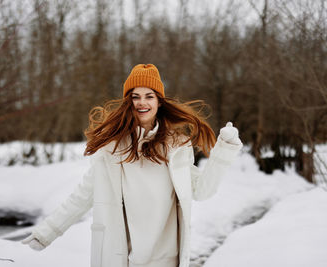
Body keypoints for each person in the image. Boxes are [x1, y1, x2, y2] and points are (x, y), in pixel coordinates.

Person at [22, 63, 243, 267]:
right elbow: (80, 198)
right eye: (135, 96)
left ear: (159, 101)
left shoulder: (176, 148)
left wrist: (225, 150)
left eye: (149, 96)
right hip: (120, 258)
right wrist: (44, 234)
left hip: (166, 259)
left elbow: (202, 190)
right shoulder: (111, 150)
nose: (142, 102)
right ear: (128, 102)